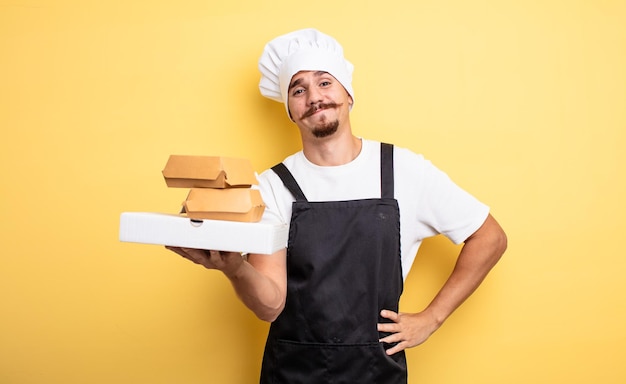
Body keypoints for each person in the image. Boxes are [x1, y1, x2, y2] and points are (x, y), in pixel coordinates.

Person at [166, 28, 507, 383]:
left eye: (325, 83)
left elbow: (490, 237)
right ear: (290, 111)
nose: (314, 97)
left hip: (376, 372)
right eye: (299, 90)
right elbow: (270, 305)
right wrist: (234, 267)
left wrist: (432, 317)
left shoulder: (403, 170)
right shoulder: (271, 186)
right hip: (292, 373)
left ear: (348, 94)